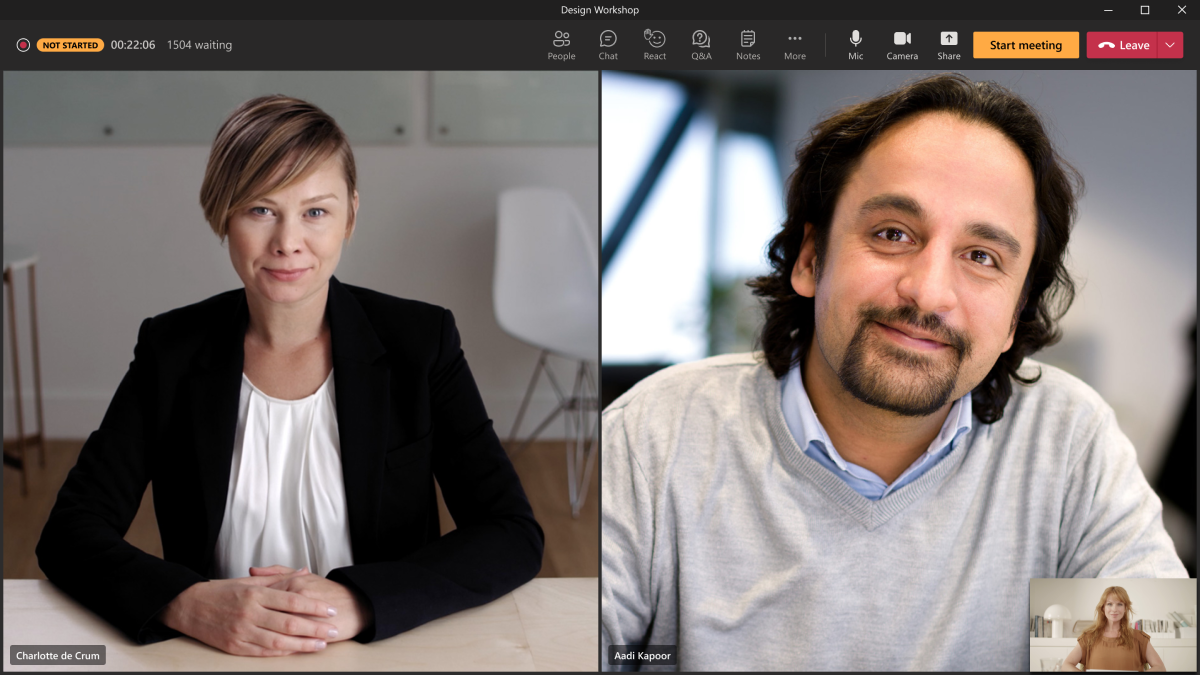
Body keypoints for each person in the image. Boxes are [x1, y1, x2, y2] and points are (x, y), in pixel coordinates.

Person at [600, 73, 1186, 671]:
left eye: (982, 257)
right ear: (810, 258)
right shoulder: (654, 437)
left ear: (1015, 317)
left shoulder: (1068, 445)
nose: (929, 293)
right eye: (892, 234)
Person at [36, 95, 544, 657]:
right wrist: (188, 601)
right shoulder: (170, 349)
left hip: (381, 652)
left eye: (316, 212)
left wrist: (359, 600)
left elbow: (511, 532)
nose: (287, 241)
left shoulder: (421, 342)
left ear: (351, 214)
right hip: (214, 653)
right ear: (221, 214)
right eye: (260, 209)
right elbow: (69, 533)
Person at [1064, 586, 1167, 672]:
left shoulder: (1139, 637)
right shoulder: (1088, 637)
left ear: (1125, 608)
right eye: (1109, 604)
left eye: (1119, 604)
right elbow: (1066, 665)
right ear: (1103, 608)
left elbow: (1160, 667)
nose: (1114, 609)